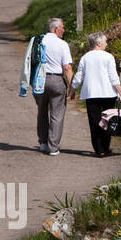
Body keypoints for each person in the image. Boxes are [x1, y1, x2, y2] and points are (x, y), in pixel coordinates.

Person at [68, 31, 121, 157]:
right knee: (108, 120)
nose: (106, 44)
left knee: (94, 122)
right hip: (108, 93)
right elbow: (113, 77)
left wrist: (71, 92)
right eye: (105, 42)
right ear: (99, 44)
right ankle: (106, 146)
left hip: (91, 94)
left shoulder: (85, 57)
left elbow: (78, 77)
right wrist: (120, 92)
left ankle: (99, 149)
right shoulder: (108, 57)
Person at [33, 17, 73, 155]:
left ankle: (43, 142)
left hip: (39, 80)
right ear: (56, 29)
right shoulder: (62, 44)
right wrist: (71, 87)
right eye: (62, 27)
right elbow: (67, 67)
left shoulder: (37, 41)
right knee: (57, 114)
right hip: (56, 79)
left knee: (42, 111)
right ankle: (53, 147)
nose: (64, 30)